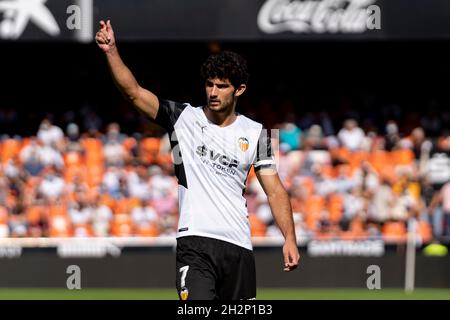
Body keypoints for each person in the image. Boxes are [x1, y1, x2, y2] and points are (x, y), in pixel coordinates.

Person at [95, 20, 300, 300]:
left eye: (222, 86)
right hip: (195, 242)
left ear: (239, 90)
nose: (213, 92)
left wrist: (289, 237)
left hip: (239, 246)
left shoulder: (256, 133)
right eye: (209, 84)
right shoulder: (183, 117)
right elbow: (134, 92)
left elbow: (275, 190)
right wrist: (111, 51)